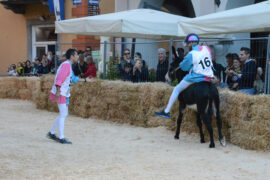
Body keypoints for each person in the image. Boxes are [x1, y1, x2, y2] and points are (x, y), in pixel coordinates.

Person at [155, 33, 214, 118]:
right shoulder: (206, 48)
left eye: (187, 44)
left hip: (196, 77)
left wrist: (189, 64)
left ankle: (166, 111)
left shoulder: (191, 54)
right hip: (209, 77)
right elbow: (210, 58)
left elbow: (184, 68)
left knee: (176, 89)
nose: (187, 45)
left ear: (191, 43)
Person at [47, 49, 80, 144]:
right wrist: (58, 91)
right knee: (63, 113)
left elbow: (72, 78)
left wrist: (84, 80)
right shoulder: (66, 65)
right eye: (76, 55)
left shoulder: (68, 65)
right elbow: (59, 79)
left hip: (62, 92)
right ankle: (60, 137)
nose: (78, 56)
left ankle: (52, 133)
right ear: (72, 56)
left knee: (63, 113)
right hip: (61, 92)